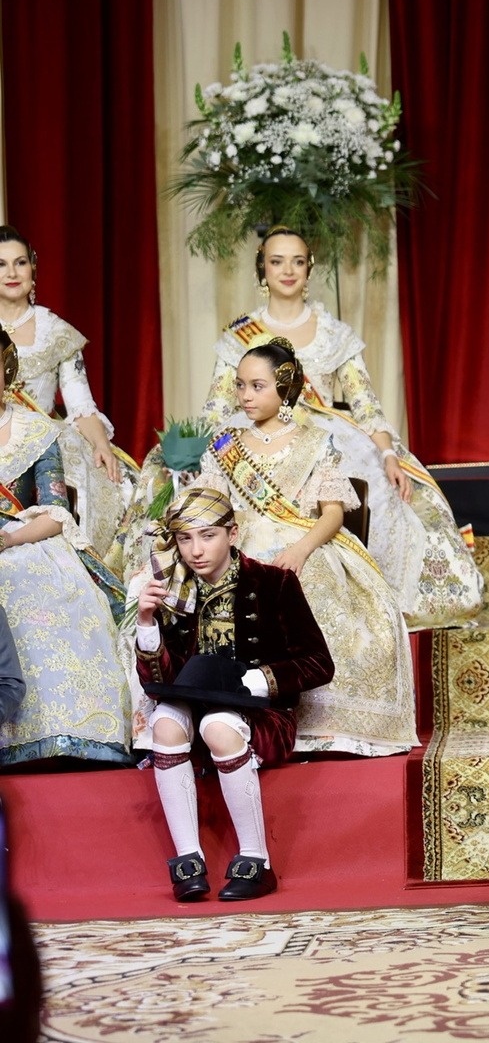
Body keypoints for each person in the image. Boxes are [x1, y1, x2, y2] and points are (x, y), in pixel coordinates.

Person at [192, 226, 483, 630]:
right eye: (277, 261)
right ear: (263, 269)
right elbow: (216, 407)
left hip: (324, 434)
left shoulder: (334, 334)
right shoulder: (240, 334)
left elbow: (365, 404)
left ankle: (375, 604)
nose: (287, 271)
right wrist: (195, 455)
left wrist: (387, 453)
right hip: (254, 431)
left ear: (309, 268)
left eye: (297, 261)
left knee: (387, 496)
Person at [190, 340, 415, 757]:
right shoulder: (224, 445)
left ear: (285, 387)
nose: (245, 395)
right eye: (240, 385)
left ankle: (323, 723)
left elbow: (332, 514)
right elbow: (210, 506)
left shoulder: (316, 441)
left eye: (257, 386)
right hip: (238, 538)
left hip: (304, 538)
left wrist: (301, 549)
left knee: (317, 587)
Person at [135, 486, 335, 901]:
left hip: (260, 714)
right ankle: (188, 862)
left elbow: (319, 663)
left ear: (232, 533)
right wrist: (146, 621)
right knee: (166, 722)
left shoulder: (274, 583)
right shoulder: (174, 591)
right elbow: (161, 680)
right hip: (195, 705)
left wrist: (255, 681)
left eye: (208, 536)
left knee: (218, 725)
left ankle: (257, 861)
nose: (196, 550)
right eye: (185, 539)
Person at [0, 329, 130, 767]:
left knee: (50, 588)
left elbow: (55, 511)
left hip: (26, 538)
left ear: (7, 371)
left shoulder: (37, 431)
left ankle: (66, 732)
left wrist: (9, 538)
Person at [0, 226, 133, 555]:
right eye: (1, 264)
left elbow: (80, 404)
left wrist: (101, 444)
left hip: (40, 437)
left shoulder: (55, 331)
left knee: (106, 482)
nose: (12, 273)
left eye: (20, 262)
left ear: (33, 268)